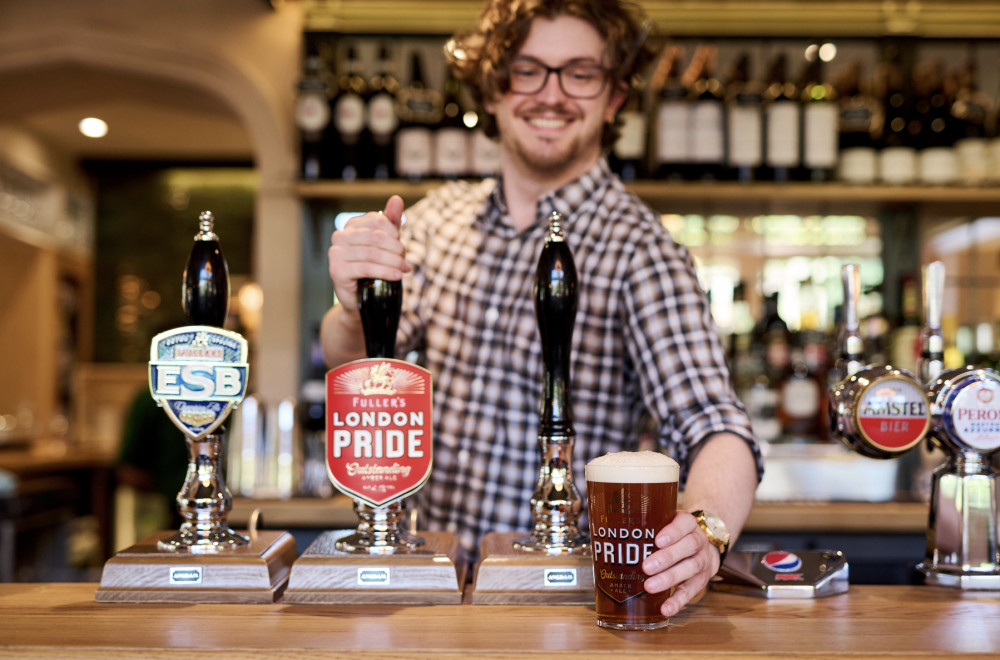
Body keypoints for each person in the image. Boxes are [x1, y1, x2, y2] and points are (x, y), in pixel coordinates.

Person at [320, 0, 763, 618]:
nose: (551, 94)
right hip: (430, 596)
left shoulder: (639, 247)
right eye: (528, 70)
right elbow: (359, 362)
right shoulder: (436, 222)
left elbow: (715, 423)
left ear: (613, 99)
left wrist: (706, 530)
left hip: (559, 606)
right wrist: (350, 306)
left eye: (580, 73)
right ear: (494, 90)